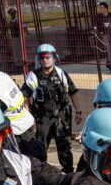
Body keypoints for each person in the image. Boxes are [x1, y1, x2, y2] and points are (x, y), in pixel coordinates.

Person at [22, 44, 79, 173]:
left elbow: (73, 92)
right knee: (41, 146)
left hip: (62, 116)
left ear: (54, 58)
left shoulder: (61, 74)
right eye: (42, 58)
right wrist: (27, 117)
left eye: (48, 57)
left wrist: (78, 111)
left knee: (64, 144)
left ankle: (68, 172)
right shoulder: (34, 76)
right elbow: (25, 96)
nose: (45, 60)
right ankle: (40, 172)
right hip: (42, 118)